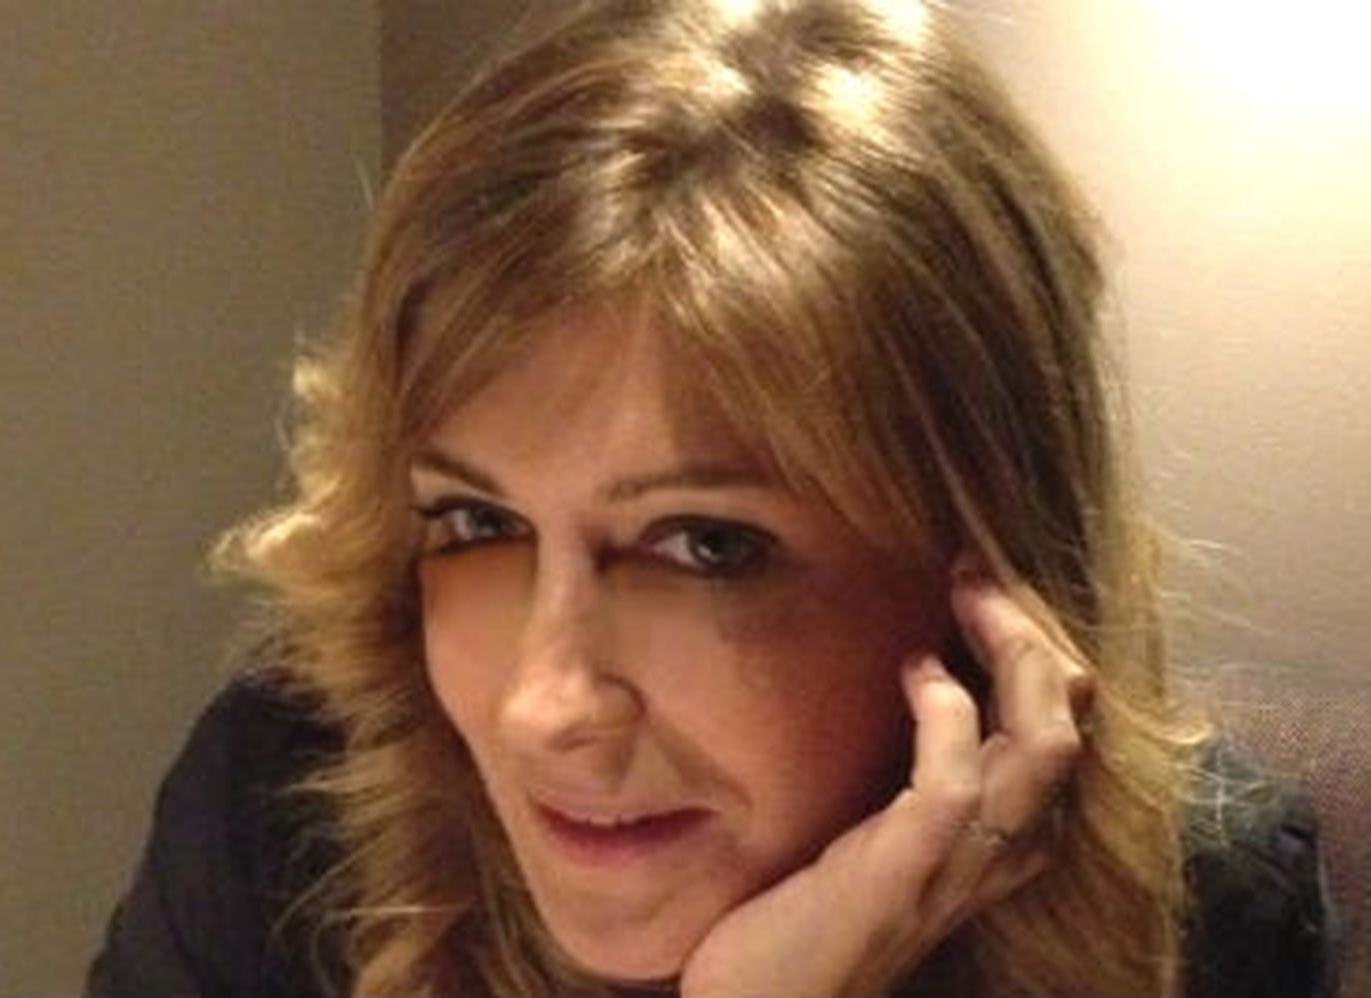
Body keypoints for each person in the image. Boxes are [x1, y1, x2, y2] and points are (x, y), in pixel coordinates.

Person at [87, 1, 1338, 995]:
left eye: (705, 545)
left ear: (982, 576)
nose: (542, 706)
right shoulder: (283, 808)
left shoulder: (1207, 904)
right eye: (479, 522)